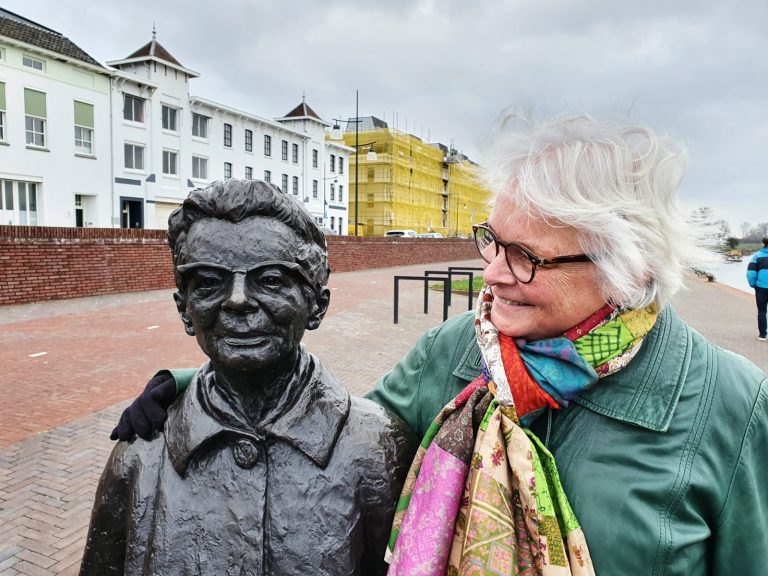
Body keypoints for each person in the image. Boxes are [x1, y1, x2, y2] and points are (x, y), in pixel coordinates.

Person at [112, 115, 768, 575]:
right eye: (493, 240)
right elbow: (328, 427)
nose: (491, 272)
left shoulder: (729, 405)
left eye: (526, 258)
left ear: (628, 267)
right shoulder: (458, 350)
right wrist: (193, 381)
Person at [80, 179, 415, 575]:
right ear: (185, 309)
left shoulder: (377, 449)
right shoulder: (139, 454)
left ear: (317, 305)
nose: (237, 300)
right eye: (208, 282)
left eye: (271, 279)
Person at [747, 237, 768, 341]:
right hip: (761, 287)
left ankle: (763, 335)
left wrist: (753, 284)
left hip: (761, 288)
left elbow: (751, 273)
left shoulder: (757, 256)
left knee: (762, 311)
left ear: (763, 244)